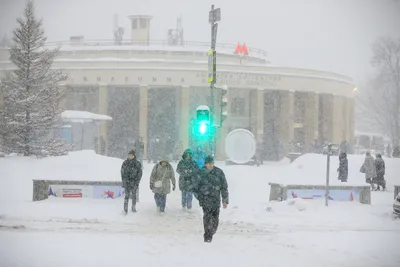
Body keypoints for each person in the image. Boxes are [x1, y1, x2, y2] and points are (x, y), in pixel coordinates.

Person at [191, 155, 229, 243]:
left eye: (212, 163)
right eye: (208, 163)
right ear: (205, 164)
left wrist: (225, 200)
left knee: (215, 219)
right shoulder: (201, 173)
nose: (210, 165)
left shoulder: (219, 172)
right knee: (207, 218)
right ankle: (207, 236)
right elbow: (195, 187)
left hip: (216, 200)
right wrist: (200, 197)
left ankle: (212, 231)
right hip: (205, 200)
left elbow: (224, 187)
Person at [121, 150, 142, 214]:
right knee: (126, 196)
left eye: (132, 155)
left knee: (134, 195)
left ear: (134, 155)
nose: (131, 156)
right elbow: (122, 172)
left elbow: (140, 173)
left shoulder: (137, 163)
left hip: (134, 182)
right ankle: (125, 209)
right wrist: (124, 180)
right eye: (129, 155)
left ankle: (133, 208)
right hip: (127, 182)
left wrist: (137, 181)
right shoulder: (125, 162)